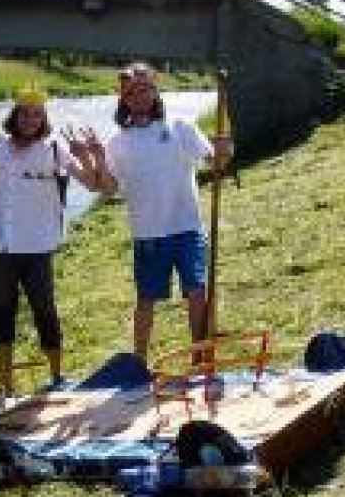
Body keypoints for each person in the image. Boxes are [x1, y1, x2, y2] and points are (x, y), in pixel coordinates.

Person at [0, 84, 103, 391]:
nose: (30, 120)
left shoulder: (55, 148)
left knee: (45, 312)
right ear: (16, 114)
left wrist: (87, 155)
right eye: (25, 114)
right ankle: (7, 383)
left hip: (38, 248)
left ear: (43, 118)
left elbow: (91, 184)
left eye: (37, 115)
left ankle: (56, 377)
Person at [68, 63, 234, 363]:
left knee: (196, 291)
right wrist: (96, 157)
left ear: (155, 90)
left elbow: (215, 162)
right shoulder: (118, 143)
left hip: (187, 227)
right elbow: (107, 188)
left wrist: (225, 149)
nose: (139, 96)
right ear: (124, 100)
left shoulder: (180, 126)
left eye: (145, 88)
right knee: (146, 301)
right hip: (148, 235)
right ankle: (139, 364)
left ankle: (199, 358)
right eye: (131, 92)